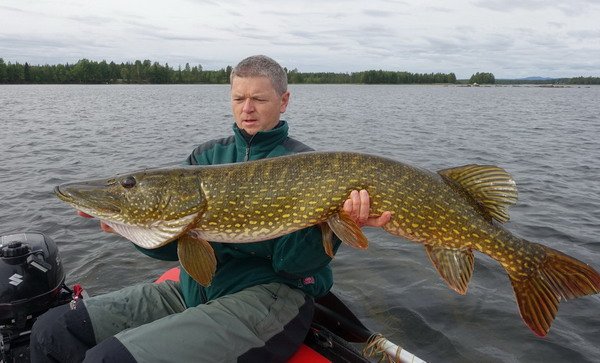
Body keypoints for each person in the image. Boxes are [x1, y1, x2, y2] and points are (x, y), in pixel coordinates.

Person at [30, 55, 391, 362]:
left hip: (271, 297)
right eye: (238, 98)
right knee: (50, 332)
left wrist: (337, 222)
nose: (246, 109)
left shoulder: (304, 166)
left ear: (284, 101)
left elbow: (291, 265)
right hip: (195, 290)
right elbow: (176, 248)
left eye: (259, 100)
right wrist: (130, 228)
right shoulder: (204, 158)